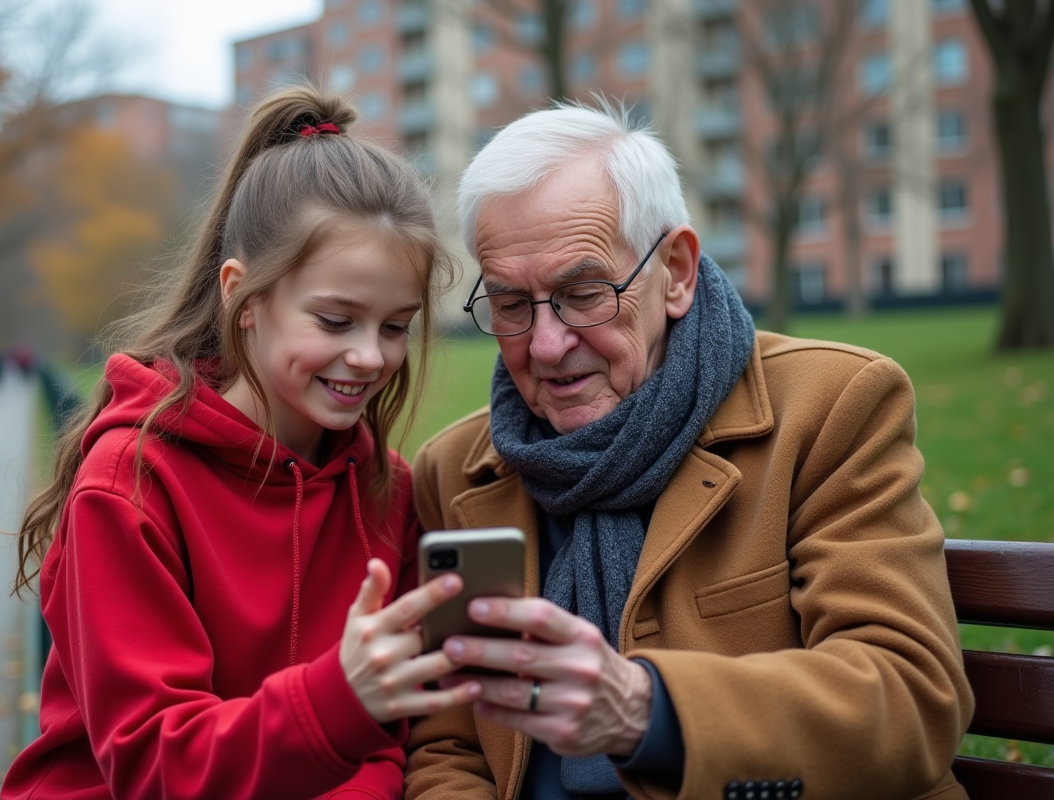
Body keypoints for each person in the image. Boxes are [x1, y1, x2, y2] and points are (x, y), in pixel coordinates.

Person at [404, 101, 973, 800]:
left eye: (584, 292)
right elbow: (449, 748)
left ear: (675, 271)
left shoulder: (830, 407)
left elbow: (910, 699)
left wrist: (646, 708)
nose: (547, 346)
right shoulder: (454, 471)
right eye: (511, 304)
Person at [1, 86, 475, 800]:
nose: (372, 357)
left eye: (394, 325)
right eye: (337, 320)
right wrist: (337, 701)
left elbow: (390, 745)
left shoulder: (388, 490)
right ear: (243, 298)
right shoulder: (128, 485)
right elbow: (155, 763)